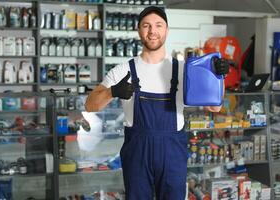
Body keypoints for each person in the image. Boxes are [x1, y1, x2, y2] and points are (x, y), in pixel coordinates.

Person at [85, 6, 229, 200]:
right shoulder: (122, 71)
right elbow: (90, 105)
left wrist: (219, 77)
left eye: (158, 25)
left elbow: (215, 106)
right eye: (146, 26)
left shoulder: (184, 70)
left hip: (172, 153)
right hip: (137, 152)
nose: (152, 31)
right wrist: (113, 91)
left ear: (166, 30)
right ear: (139, 31)